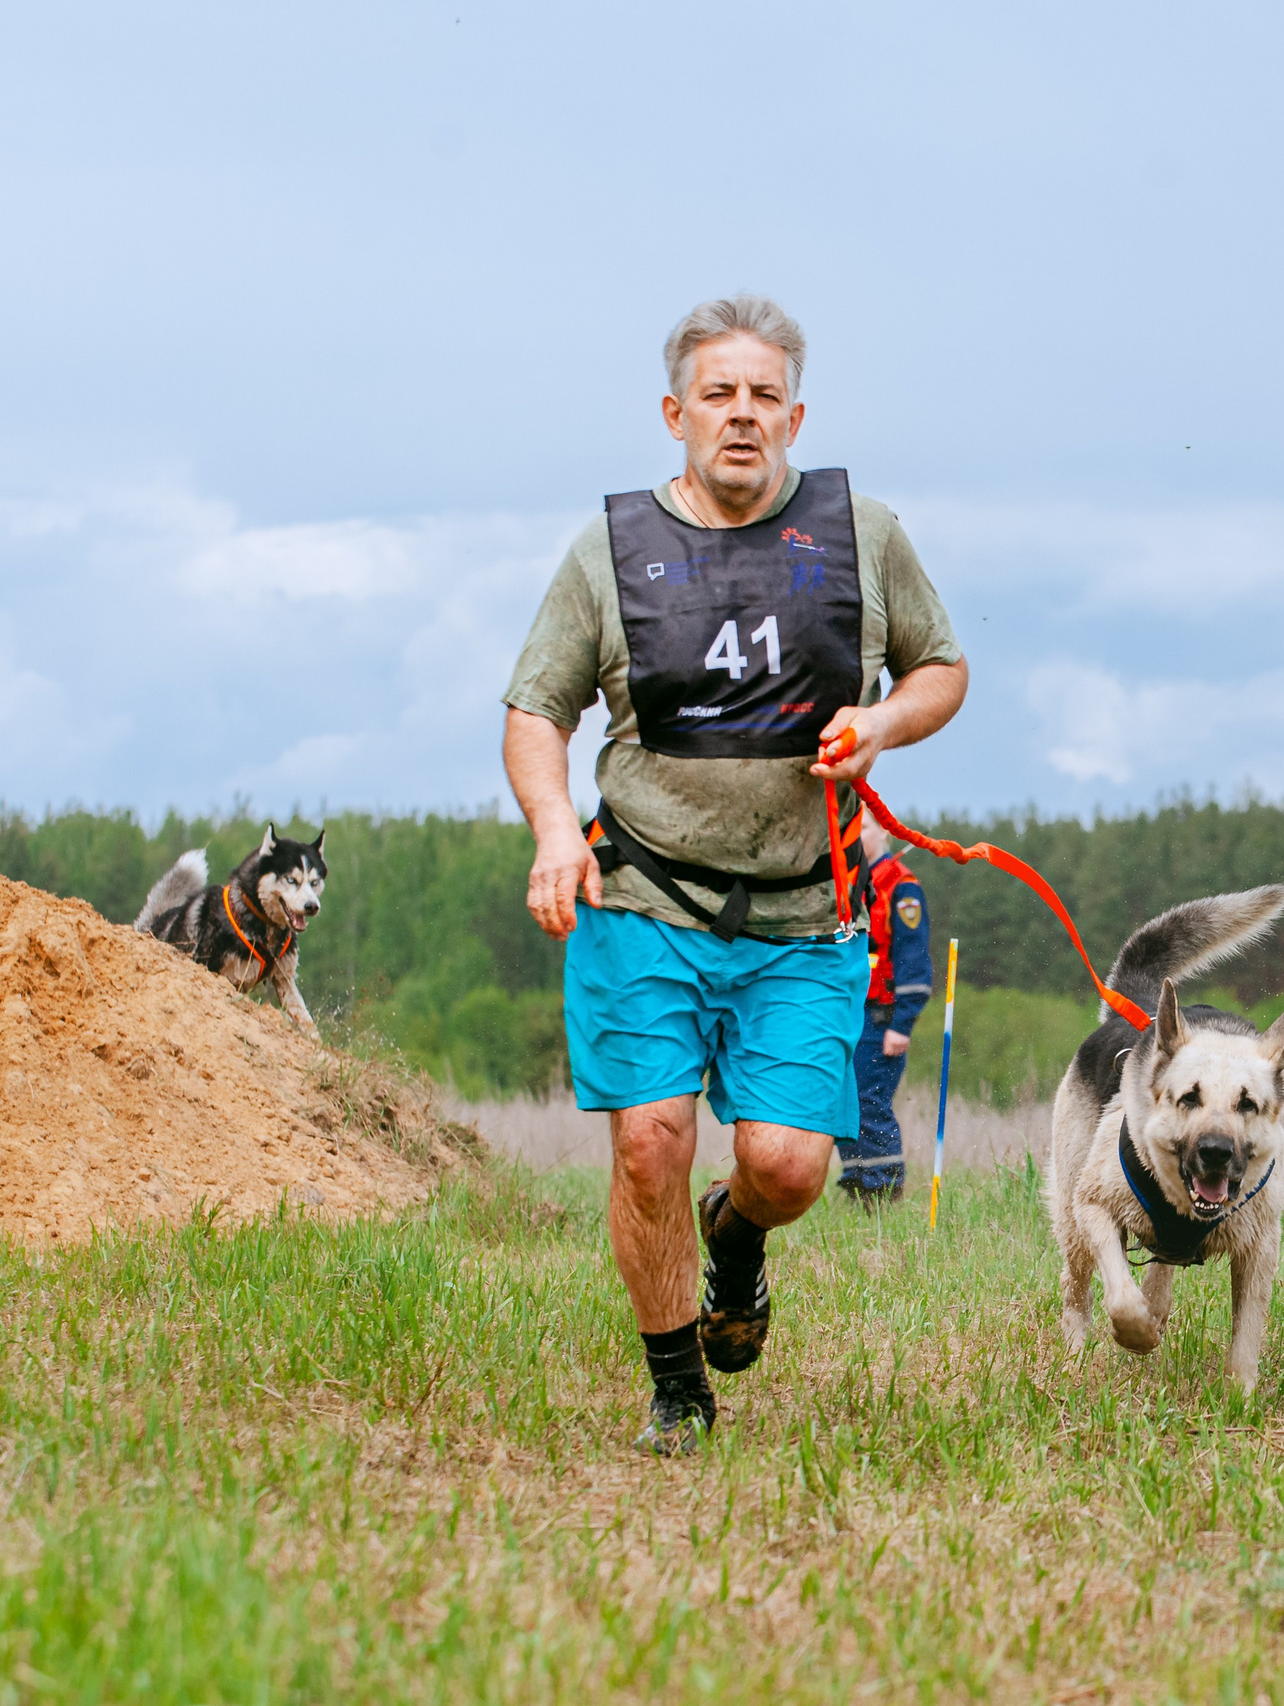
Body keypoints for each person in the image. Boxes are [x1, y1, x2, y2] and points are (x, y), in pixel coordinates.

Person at [501, 295, 968, 1455]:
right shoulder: (607, 551)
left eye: (765, 396)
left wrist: (882, 723)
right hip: (643, 891)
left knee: (789, 1164)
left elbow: (943, 669)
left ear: (795, 414)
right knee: (649, 1136)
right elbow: (533, 710)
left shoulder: (864, 530)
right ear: (676, 413)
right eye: (719, 394)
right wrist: (557, 829)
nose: (742, 416)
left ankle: (740, 1238)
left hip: (806, 911)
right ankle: (676, 1389)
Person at [836, 824, 932, 1205]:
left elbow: (914, 959)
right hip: (849, 1012)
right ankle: (858, 1180)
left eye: (861, 828)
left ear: (881, 834)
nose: (854, 836)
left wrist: (903, 1023)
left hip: (882, 1017)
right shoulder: (849, 882)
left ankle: (884, 1188)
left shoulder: (902, 888)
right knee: (846, 1100)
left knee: (869, 1100)